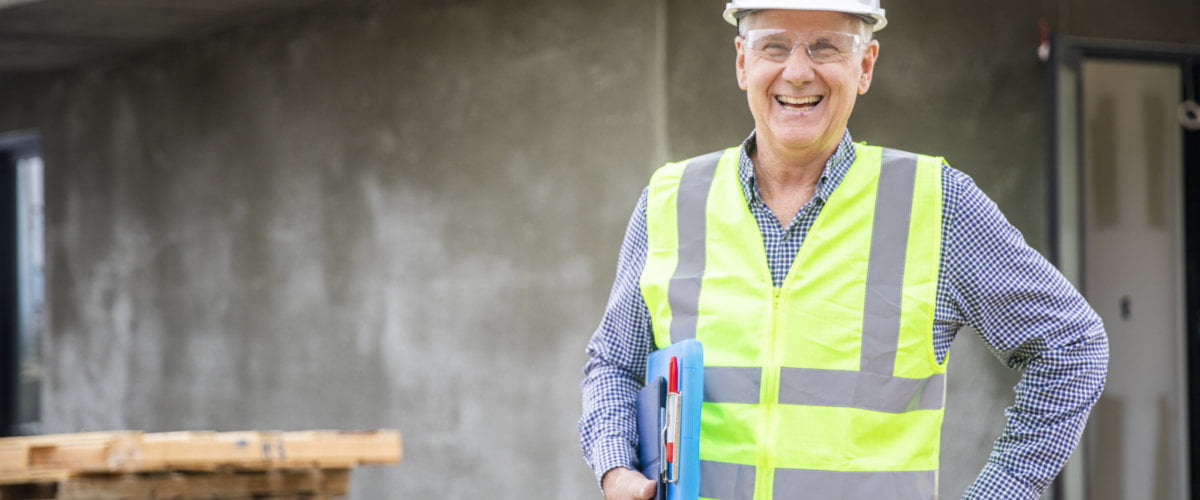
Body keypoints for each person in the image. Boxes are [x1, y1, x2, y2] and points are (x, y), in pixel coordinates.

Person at [578, 1, 1108, 499]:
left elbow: (1072, 348)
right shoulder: (669, 199)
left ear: (865, 65)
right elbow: (613, 365)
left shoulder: (937, 202)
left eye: (826, 47)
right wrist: (616, 466)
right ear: (743, 62)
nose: (798, 72)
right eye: (774, 46)